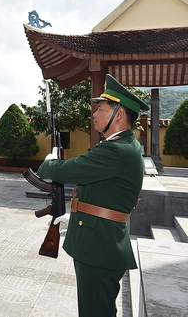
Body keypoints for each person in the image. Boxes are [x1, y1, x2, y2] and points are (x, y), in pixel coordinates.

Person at [37, 74, 149, 317]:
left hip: (98, 245)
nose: (95, 114)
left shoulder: (115, 150)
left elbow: (67, 170)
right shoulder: (123, 146)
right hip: (99, 238)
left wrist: (48, 164)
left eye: (101, 108)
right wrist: (77, 211)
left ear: (118, 114)